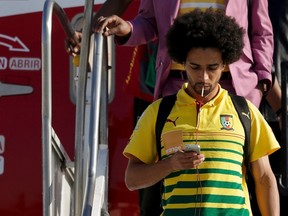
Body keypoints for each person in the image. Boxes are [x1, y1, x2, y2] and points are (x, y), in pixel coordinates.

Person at [122, 9, 280, 215]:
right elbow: (132, 179)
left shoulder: (245, 112)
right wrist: (171, 164)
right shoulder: (158, 112)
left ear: (225, 64)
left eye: (212, 67)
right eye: (195, 67)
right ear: (182, 62)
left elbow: (264, 178)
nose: (204, 77)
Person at [95, 0, 274, 108]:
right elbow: (149, 22)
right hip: (177, 87)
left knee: (232, 166)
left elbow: (262, 31)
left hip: (235, 88)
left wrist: (262, 81)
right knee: (180, 163)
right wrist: (128, 29)